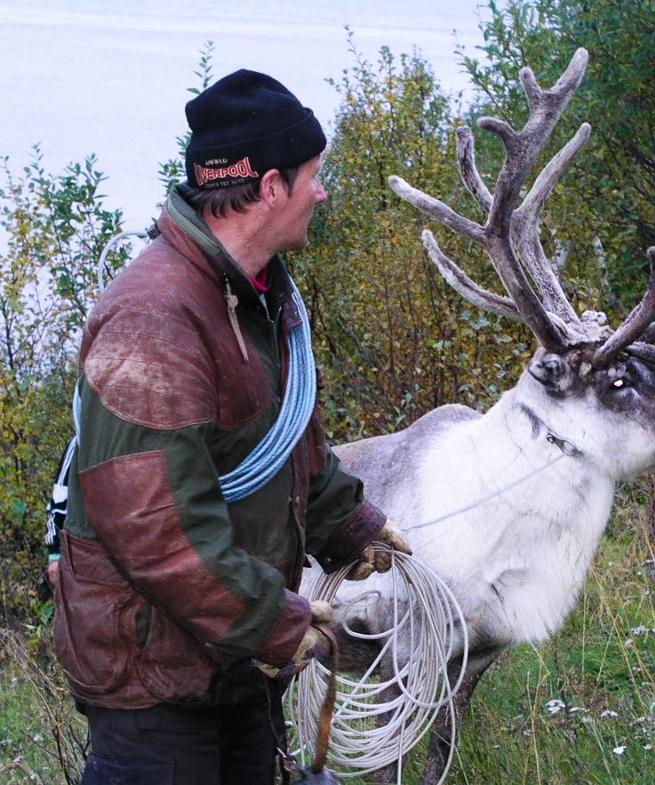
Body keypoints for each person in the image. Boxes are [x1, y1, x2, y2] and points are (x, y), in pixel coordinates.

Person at [51, 69, 410, 785]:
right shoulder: (154, 320)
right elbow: (157, 535)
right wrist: (276, 622)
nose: (323, 190)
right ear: (270, 186)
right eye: (315, 174)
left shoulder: (261, 297)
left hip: (233, 663)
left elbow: (285, 444)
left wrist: (351, 523)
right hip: (153, 681)